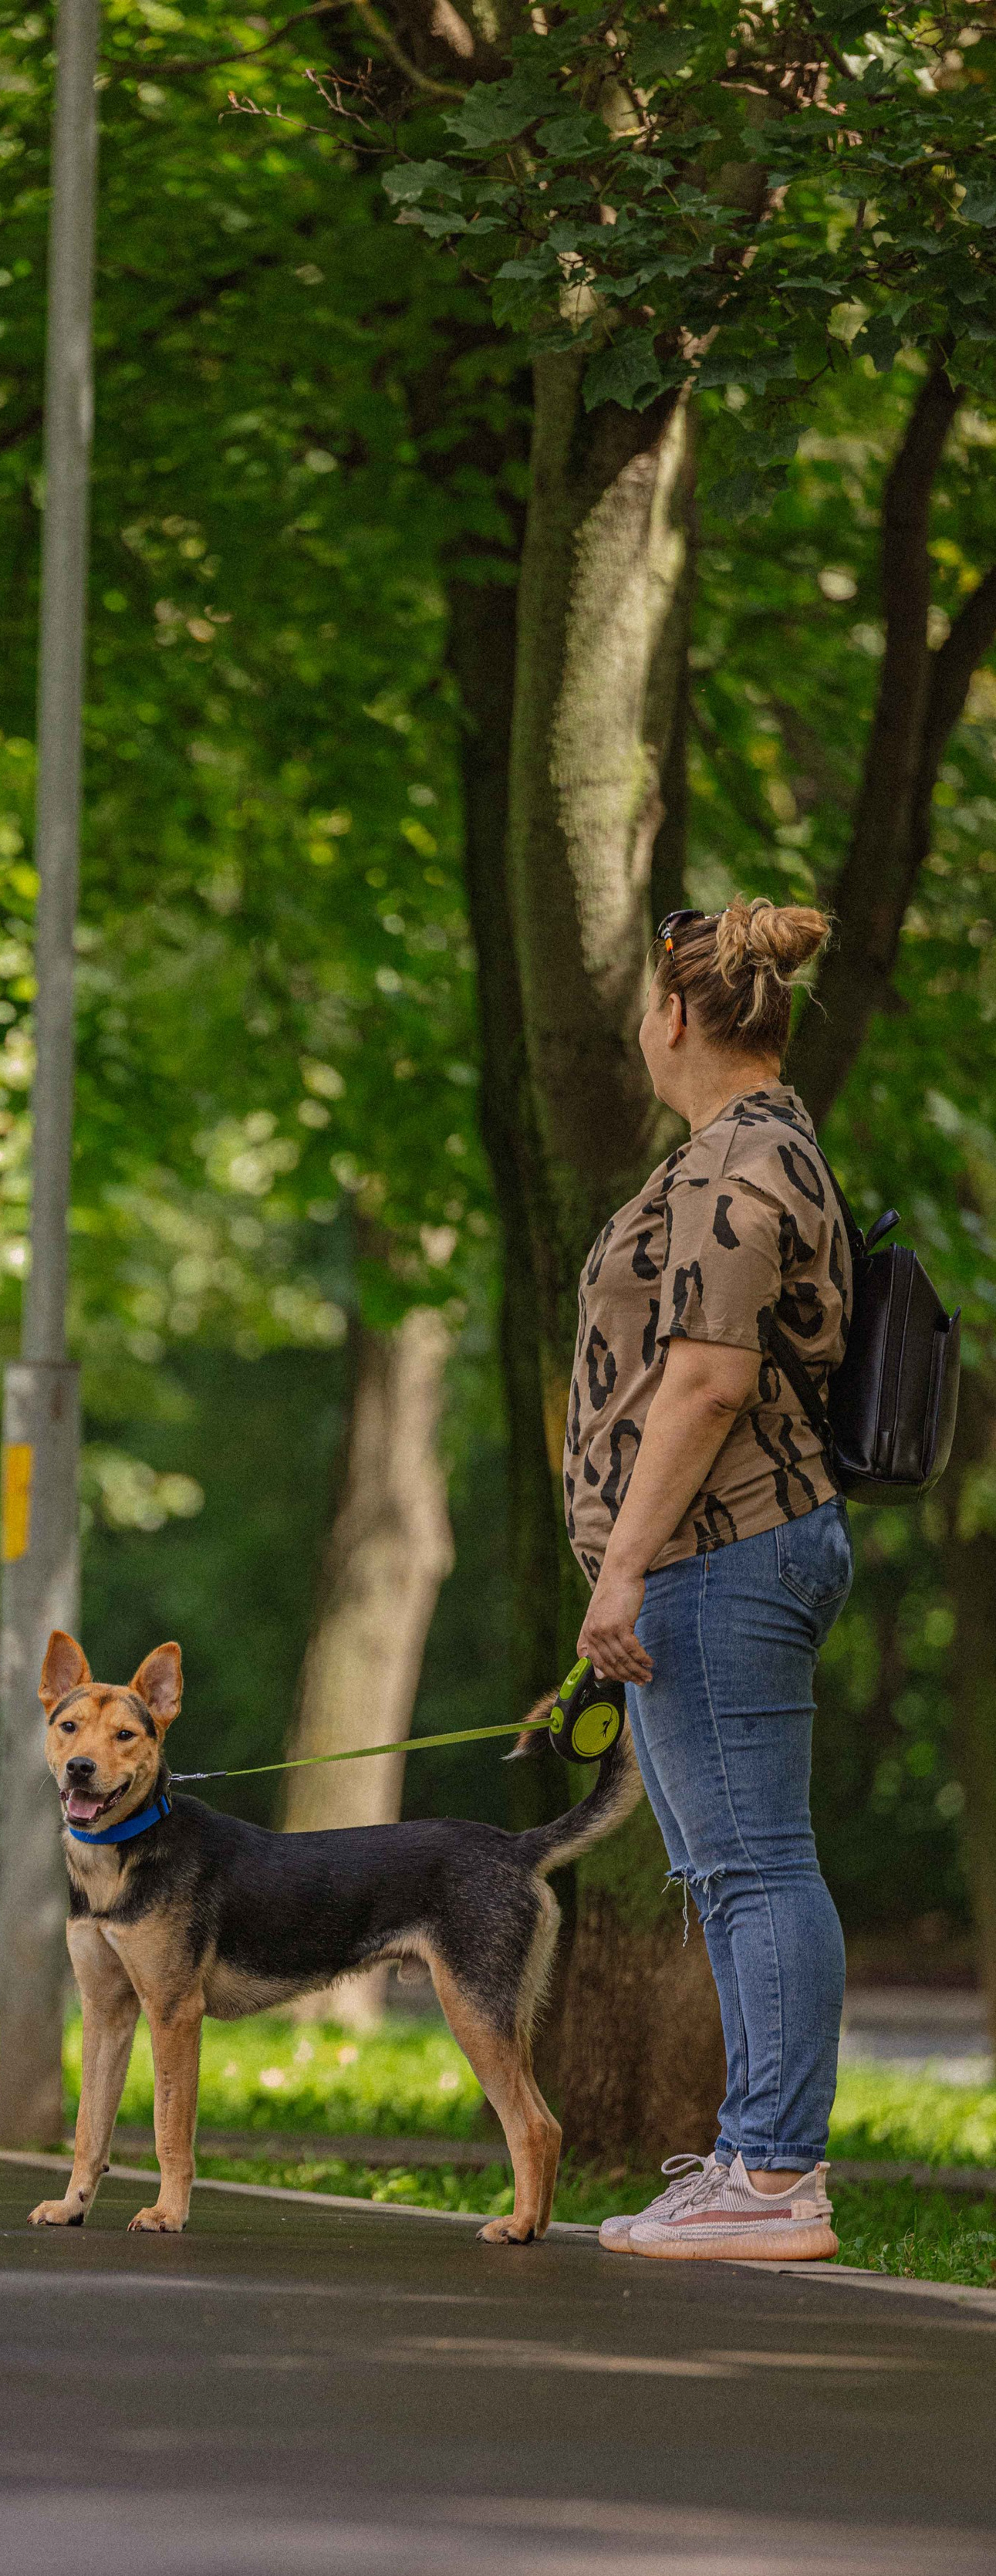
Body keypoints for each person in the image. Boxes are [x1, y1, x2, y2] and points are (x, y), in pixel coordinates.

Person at [566, 897, 852, 2265]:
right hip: (718, 1550)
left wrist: (617, 1571)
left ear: (676, 1016)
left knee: (752, 1865)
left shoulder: (739, 1163)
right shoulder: (741, 1151)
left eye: (643, 1004)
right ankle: (749, 2155)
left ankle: (777, 2174)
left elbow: (710, 1376)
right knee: (726, 1864)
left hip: (722, 1547)